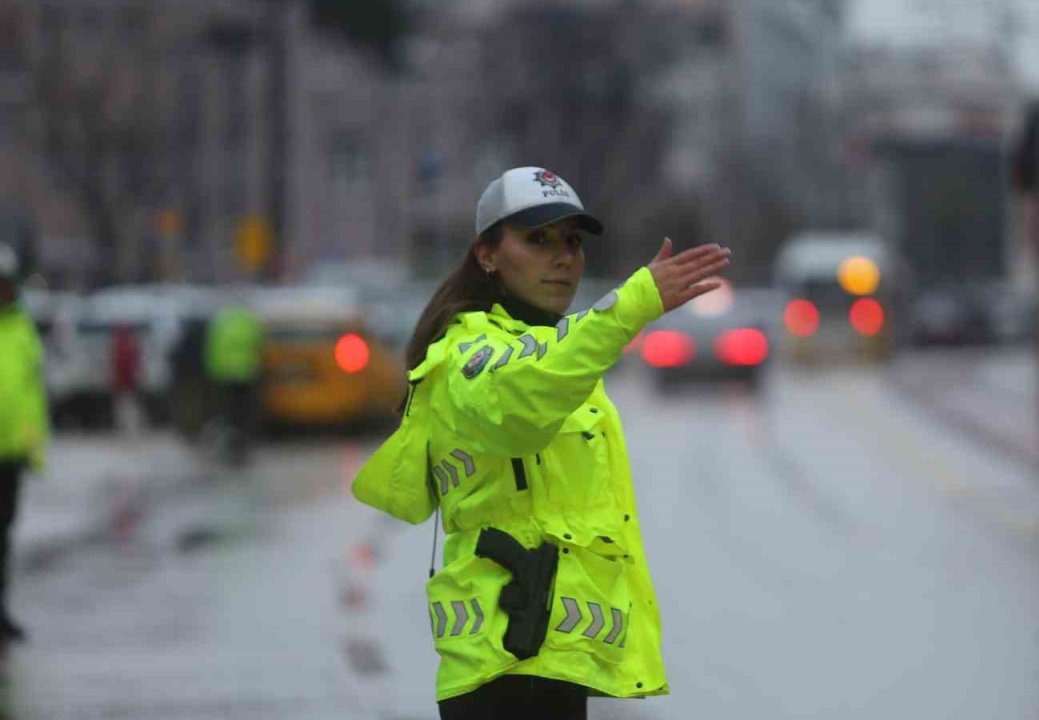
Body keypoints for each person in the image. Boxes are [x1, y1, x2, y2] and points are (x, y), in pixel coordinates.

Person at [352, 166, 730, 718]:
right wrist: (629, 307)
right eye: (537, 239)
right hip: (505, 666)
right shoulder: (466, 352)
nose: (563, 257)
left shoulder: (557, 348)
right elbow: (522, 399)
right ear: (487, 255)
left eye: (572, 242)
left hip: (549, 659)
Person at [0, 241, 47, 642]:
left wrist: (35, 447)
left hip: (11, 453)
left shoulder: (23, 330)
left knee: (3, 535)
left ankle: (1, 610)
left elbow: (32, 396)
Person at [203, 304, 264, 463]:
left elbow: (211, 349)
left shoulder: (220, 323)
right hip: (246, 374)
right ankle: (241, 441)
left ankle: (231, 439)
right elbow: (258, 344)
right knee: (244, 412)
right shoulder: (248, 321)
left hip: (224, 375)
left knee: (228, 412)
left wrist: (211, 372)